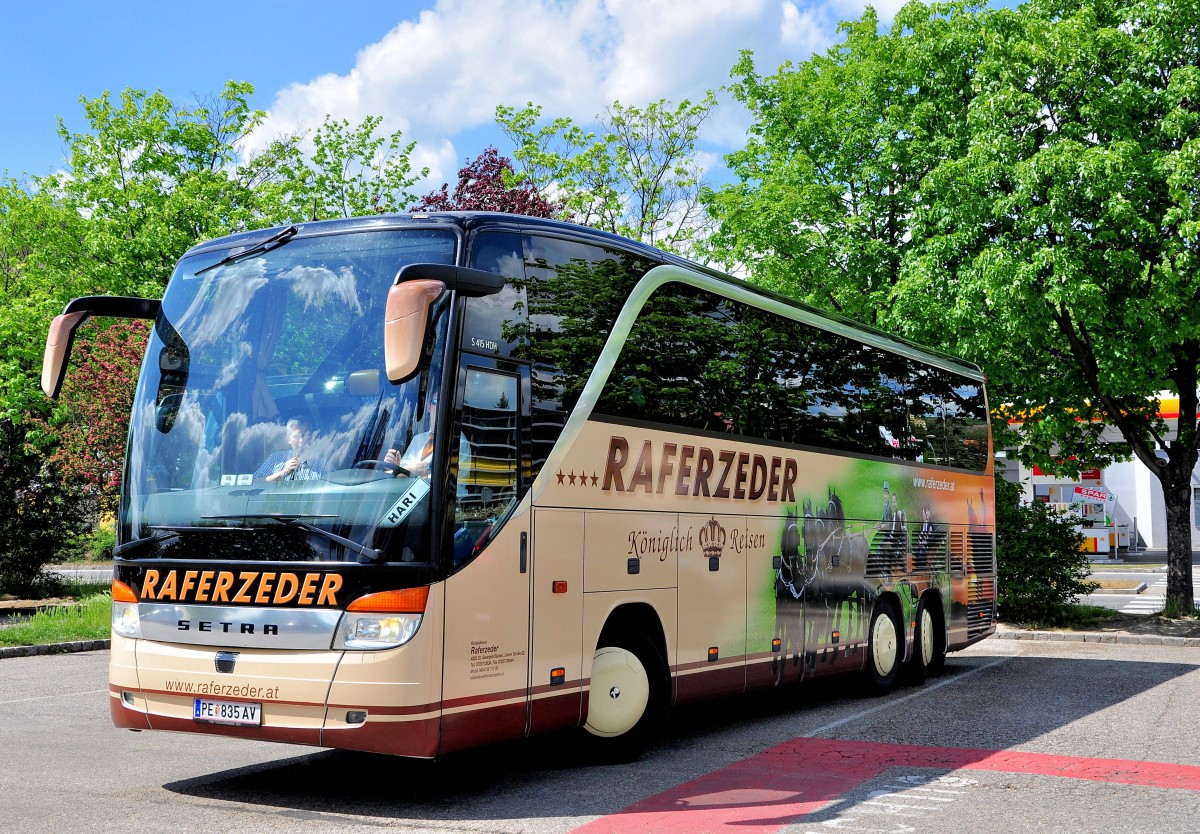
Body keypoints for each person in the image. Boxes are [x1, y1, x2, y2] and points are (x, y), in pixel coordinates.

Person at [254, 416, 329, 482]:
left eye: (305, 435)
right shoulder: (276, 459)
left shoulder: (322, 465)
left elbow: (335, 486)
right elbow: (254, 482)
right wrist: (281, 474)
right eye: (297, 437)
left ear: (311, 437)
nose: (301, 441)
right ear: (288, 439)